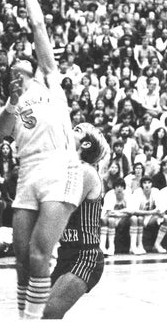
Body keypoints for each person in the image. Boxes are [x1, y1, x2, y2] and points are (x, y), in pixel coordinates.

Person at [0, 0, 82, 319]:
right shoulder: (9, 103)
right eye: (14, 66)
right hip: (28, 170)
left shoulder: (49, 80)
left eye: (23, 62)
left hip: (59, 164)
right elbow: (1, 131)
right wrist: (12, 102)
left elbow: (38, 25)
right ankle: (25, 317)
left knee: (38, 254)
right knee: (20, 259)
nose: (21, 64)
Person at [43, 123, 109, 319]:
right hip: (66, 254)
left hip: (85, 256)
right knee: (40, 313)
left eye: (78, 129)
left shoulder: (86, 171)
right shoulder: (66, 170)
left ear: (86, 144)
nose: (71, 129)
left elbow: (59, 211)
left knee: (48, 312)